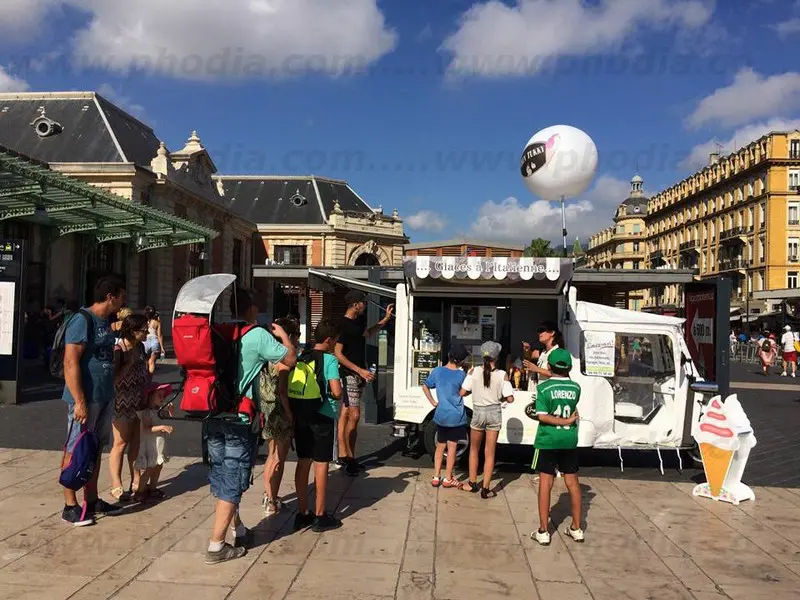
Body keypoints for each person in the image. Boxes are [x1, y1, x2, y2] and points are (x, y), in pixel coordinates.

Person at [204, 288, 296, 565]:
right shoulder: (257, 335)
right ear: (252, 308)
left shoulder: (216, 330)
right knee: (233, 480)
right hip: (239, 418)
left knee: (222, 476)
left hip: (212, 414)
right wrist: (283, 337)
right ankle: (216, 545)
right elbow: (289, 359)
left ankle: (238, 528)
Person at [60, 276, 126, 526]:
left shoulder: (106, 322)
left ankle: (92, 498)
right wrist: (79, 401)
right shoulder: (82, 320)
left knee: (94, 448)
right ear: (111, 297)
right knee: (75, 448)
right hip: (85, 398)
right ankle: (69, 505)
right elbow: (70, 362)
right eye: (121, 296)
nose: (123, 301)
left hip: (104, 395)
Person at [291, 319, 344, 533]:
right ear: (329, 340)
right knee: (321, 464)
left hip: (302, 415)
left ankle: (303, 512)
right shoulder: (330, 360)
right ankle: (320, 515)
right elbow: (337, 391)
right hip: (323, 415)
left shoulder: (302, 357)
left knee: (303, 462)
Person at [334, 290, 394, 476]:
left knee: (347, 414)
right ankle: (346, 456)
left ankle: (347, 456)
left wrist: (385, 319)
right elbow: (338, 352)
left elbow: (368, 333)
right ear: (355, 304)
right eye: (363, 303)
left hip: (358, 374)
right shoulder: (342, 325)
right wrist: (359, 370)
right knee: (355, 414)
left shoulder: (357, 322)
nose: (365, 305)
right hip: (349, 374)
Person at [531, 348, 584, 546]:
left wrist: (562, 419)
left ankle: (543, 530)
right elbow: (572, 409)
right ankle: (576, 528)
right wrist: (569, 420)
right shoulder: (576, 387)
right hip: (569, 439)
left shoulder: (543, 389)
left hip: (547, 439)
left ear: (549, 366)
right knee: (573, 482)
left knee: (546, 482)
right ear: (569, 367)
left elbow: (542, 416)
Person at [459, 341, 514, 498]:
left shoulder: (473, 371)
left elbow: (462, 392)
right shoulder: (502, 374)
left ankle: (472, 483)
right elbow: (510, 398)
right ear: (496, 357)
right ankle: (486, 488)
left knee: (474, 449)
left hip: (478, 412)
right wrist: (500, 397)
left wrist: (474, 393)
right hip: (494, 413)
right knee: (490, 452)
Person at [109, 313, 153, 502]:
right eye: (144, 330)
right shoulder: (119, 349)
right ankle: (116, 483)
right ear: (133, 331)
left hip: (138, 400)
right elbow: (113, 376)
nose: (147, 333)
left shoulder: (141, 347)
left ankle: (135, 480)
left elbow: (143, 371)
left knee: (136, 444)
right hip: (122, 401)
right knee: (120, 443)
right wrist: (129, 362)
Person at [260, 316, 300, 517]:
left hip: (267, 409)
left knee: (271, 454)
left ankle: (268, 496)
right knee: (279, 459)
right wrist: (290, 414)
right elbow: (283, 392)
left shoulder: (267, 356)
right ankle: (272, 498)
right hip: (280, 412)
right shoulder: (283, 362)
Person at [422, 344, 470, 488]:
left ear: (449, 355)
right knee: (452, 447)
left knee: (440, 446)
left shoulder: (437, 371)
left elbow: (425, 386)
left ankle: (436, 476)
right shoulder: (461, 375)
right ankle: (448, 478)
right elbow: (465, 392)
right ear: (461, 361)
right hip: (456, 416)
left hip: (441, 414)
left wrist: (432, 402)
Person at [135, 383, 174, 501]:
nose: (162, 398)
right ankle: (140, 491)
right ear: (150, 397)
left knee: (158, 466)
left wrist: (171, 411)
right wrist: (162, 427)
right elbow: (147, 428)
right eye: (159, 395)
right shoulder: (147, 412)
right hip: (152, 444)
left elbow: (169, 417)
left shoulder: (159, 411)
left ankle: (153, 488)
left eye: (163, 396)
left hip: (159, 444)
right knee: (150, 468)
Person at [144, 306, 165, 372]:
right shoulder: (157, 322)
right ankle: (150, 379)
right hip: (155, 341)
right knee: (152, 362)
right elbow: (159, 335)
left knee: (145, 361)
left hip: (145, 341)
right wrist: (162, 348)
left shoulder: (144, 321)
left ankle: (145, 379)